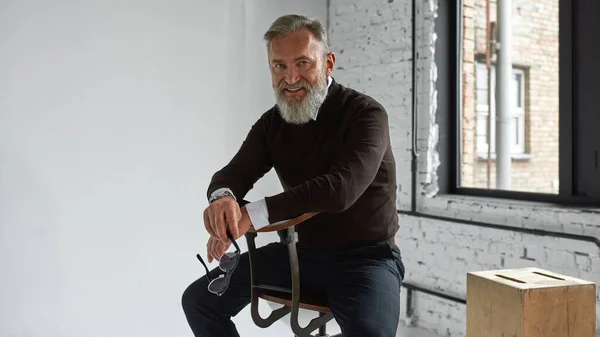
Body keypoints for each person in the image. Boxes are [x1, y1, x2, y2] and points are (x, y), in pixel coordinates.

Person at [181, 14, 405, 337]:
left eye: (302, 63)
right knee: (198, 301)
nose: (291, 77)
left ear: (328, 64)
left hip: (367, 260)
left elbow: (339, 190)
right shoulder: (272, 124)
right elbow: (233, 173)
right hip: (300, 257)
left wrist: (253, 215)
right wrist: (223, 200)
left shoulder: (366, 115)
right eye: (279, 66)